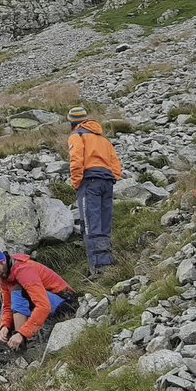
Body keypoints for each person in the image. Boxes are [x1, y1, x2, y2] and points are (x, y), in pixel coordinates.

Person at [0, 249, 77, 350]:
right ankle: (8, 340)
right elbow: (7, 305)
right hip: (50, 302)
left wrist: (22, 334)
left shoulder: (24, 270)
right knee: (6, 299)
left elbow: (44, 306)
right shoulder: (4, 276)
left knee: (18, 291)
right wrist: (5, 325)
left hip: (65, 305)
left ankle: (18, 346)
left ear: (3, 261)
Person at [66, 106, 122, 275]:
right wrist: (113, 178)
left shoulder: (77, 136)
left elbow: (76, 160)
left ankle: (98, 269)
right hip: (106, 181)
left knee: (91, 225)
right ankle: (108, 264)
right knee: (105, 225)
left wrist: (77, 183)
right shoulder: (103, 139)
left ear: (72, 122)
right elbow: (115, 163)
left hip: (89, 182)